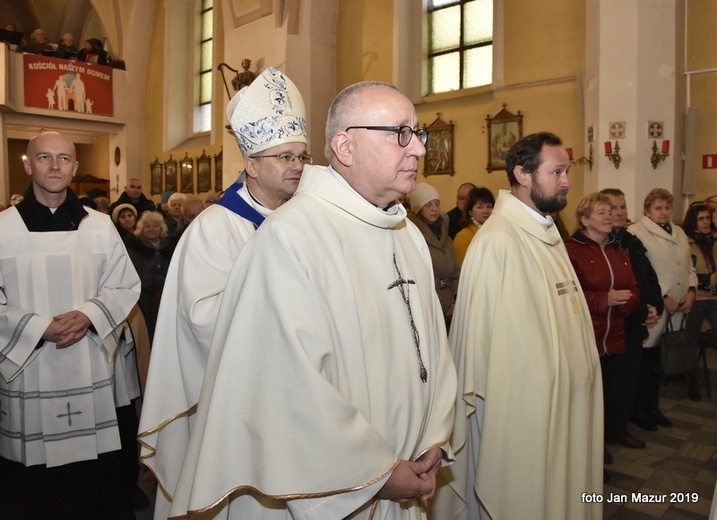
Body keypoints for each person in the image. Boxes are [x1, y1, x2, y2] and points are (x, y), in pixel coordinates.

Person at [168, 81, 457, 519]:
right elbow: (286, 388)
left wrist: (434, 434)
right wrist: (377, 472)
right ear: (344, 145)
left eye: (418, 134)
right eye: (400, 133)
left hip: (413, 468)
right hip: (336, 486)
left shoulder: (408, 235)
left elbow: (434, 349)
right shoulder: (290, 237)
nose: (417, 148)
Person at [138, 66, 311, 519]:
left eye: (300, 156)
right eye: (284, 157)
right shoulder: (214, 229)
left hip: (301, 397)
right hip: (239, 402)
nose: (296, 166)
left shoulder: (309, 220)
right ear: (251, 165)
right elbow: (202, 320)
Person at [436, 132, 603, 520]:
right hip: (522, 421)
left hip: (562, 412)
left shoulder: (547, 233)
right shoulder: (497, 241)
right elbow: (482, 349)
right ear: (522, 174)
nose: (567, 181)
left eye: (566, 171)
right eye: (557, 171)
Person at [0, 131, 140, 519]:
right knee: (32, 485)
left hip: (85, 363)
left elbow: (124, 283)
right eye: (44, 157)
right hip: (29, 366)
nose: (55, 166)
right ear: (28, 165)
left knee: (91, 477)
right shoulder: (3, 229)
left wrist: (90, 314)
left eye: (64, 158)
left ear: (75, 168)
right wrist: (36, 328)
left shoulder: (100, 226)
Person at [565, 193, 640, 480]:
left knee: (610, 396)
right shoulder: (572, 250)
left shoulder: (618, 250)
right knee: (586, 403)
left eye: (610, 212)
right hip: (588, 337)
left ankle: (603, 442)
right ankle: (588, 456)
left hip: (615, 336)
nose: (609, 216)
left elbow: (633, 287)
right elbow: (567, 295)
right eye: (601, 212)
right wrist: (603, 300)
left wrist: (626, 304)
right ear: (584, 220)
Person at [629, 188, 697, 427]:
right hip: (657, 305)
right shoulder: (636, 232)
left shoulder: (678, 231)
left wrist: (691, 291)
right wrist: (664, 294)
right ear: (647, 210)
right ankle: (639, 411)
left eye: (667, 207)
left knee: (660, 364)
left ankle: (653, 408)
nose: (664, 212)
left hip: (679, 305)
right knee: (645, 363)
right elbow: (644, 271)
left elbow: (688, 266)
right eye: (658, 208)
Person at [600, 188, 662, 450]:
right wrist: (637, 310)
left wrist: (654, 305)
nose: (621, 212)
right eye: (614, 207)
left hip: (635, 324)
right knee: (608, 386)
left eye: (624, 207)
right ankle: (600, 438)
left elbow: (648, 276)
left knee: (627, 383)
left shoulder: (632, 241)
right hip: (613, 325)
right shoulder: (599, 244)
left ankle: (619, 428)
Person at [408, 182, 460, 327]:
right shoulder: (412, 235)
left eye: (437, 203)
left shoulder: (445, 235)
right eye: (428, 205)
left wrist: (455, 300)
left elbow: (456, 272)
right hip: (427, 310)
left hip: (449, 309)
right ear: (418, 209)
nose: (434, 208)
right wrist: (441, 303)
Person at [681, 202, 716, 401]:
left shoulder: (715, 240)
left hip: (714, 297)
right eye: (701, 219)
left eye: (708, 218)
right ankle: (692, 377)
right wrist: (708, 280)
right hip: (696, 297)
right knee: (691, 338)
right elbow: (689, 272)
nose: (705, 222)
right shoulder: (686, 242)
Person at [125, 211, 176, 343]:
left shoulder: (170, 246)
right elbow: (133, 273)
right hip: (143, 296)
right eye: (147, 226)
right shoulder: (135, 247)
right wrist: (155, 281)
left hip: (166, 294)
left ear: (162, 228)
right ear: (142, 228)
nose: (152, 229)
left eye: (156, 225)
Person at [453, 186, 494, 265]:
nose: (485, 211)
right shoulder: (462, 237)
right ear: (470, 212)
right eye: (480, 207)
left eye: (489, 206)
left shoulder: (496, 232)